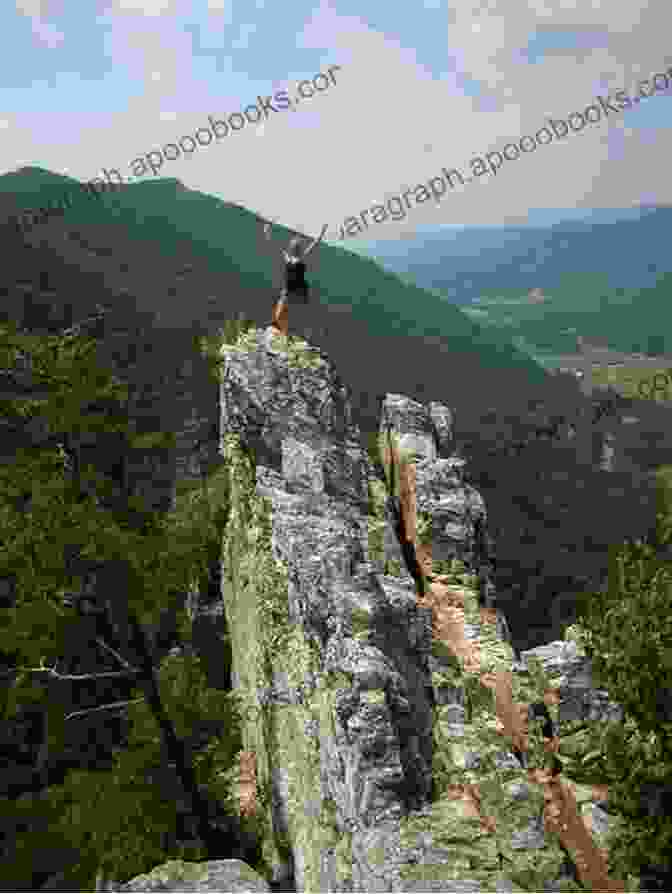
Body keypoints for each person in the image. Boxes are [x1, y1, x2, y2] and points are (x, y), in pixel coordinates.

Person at [263, 220, 328, 335]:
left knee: (282, 309)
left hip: (296, 289)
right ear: (292, 247)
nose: (294, 247)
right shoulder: (288, 257)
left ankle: (279, 328)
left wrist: (322, 232)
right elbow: (273, 244)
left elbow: (314, 244)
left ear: (296, 249)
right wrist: (267, 231)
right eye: (294, 245)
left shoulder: (300, 258)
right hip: (289, 288)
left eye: (296, 246)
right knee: (281, 309)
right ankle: (279, 328)